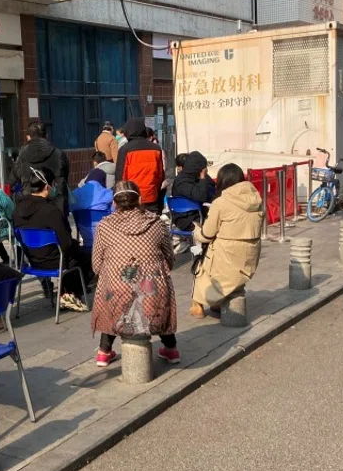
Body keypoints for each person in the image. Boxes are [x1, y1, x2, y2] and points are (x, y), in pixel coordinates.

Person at [91, 181, 178, 367]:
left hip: (116, 295)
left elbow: (96, 264)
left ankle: (104, 352)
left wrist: (109, 274)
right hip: (152, 294)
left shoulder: (104, 226)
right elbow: (169, 257)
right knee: (153, 288)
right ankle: (171, 349)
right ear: (140, 199)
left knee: (114, 290)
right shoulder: (156, 222)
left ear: (114, 203)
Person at [14, 166, 91, 312]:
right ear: (48, 186)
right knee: (85, 254)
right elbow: (67, 244)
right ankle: (68, 293)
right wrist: (76, 245)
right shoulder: (51, 211)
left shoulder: (17, 210)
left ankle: (66, 293)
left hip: (32, 259)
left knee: (72, 253)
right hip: (54, 260)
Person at [190, 164, 263, 319]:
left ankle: (199, 303)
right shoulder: (256, 199)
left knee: (203, 266)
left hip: (226, 256)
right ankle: (218, 302)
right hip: (249, 258)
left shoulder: (221, 203)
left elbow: (207, 234)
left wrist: (196, 231)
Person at [12, 122, 71, 216]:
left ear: (28, 137)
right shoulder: (58, 154)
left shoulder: (21, 156)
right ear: (46, 136)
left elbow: (16, 177)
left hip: (28, 210)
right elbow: (65, 178)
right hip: (57, 209)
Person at [115, 118, 165, 214]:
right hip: (151, 196)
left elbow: (120, 176)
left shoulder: (125, 149)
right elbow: (160, 175)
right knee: (151, 224)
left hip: (131, 197)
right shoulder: (156, 148)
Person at [170, 151, 214, 254]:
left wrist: (204, 177)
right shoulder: (182, 181)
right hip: (186, 219)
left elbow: (212, 186)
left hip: (199, 215)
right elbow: (200, 196)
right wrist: (203, 178)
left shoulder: (195, 177)